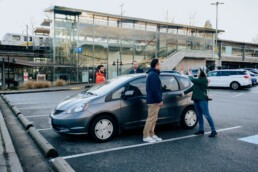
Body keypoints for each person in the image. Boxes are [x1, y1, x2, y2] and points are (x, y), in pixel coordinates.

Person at [188, 67, 217, 137]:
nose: (198, 72)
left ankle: (214, 130)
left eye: (199, 71)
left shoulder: (204, 80)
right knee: (199, 115)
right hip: (196, 99)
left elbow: (193, 80)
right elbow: (192, 88)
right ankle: (201, 130)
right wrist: (183, 92)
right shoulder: (199, 79)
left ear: (202, 72)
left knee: (206, 115)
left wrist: (190, 75)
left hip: (202, 100)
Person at [143, 59, 163, 143]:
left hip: (153, 100)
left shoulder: (152, 74)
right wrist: (159, 100)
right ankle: (146, 135)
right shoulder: (153, 75)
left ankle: (151, 134)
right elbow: (154, 89)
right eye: (159, 64)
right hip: (153, 101)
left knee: (154, 118)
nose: (160, 66)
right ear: (156, 65)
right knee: (151, 118)